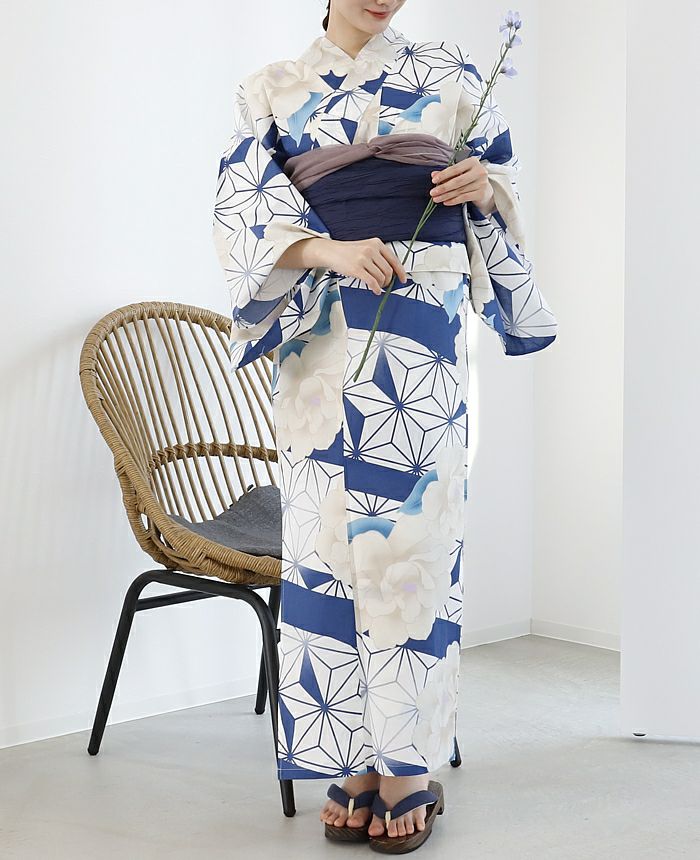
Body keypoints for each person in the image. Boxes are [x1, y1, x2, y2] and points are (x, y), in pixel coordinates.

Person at [212, 0, 557, 851]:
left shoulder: (453, 74)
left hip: (423, 335)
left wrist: (482, 188)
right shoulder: (269, 89)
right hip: (322, 339)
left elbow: (501, 191)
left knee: (414, 541)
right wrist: (330, 250)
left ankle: (407, 766)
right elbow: (243, 216)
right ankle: (351, 761)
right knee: (326, 543)